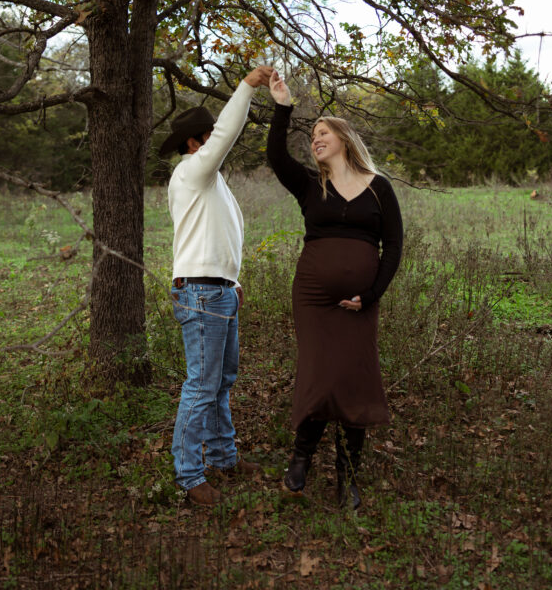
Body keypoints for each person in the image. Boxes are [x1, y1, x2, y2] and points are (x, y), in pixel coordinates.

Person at [267, 70, 403, 509]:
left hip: (359, 302)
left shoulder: (379, 188)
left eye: (322, 133)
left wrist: (371, 294)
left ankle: (349, 479)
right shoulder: (310, 184)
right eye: (312, 136)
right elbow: (275, 157)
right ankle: (301, 460)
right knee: (319, 372)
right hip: (313, 298)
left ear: (343, 138)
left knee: (354, 380)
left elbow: (394, 247)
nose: (315, 140)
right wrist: (283, 106)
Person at [161, 65, 272, 506]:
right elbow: (227, 132)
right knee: (201, 386)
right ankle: (189, 476)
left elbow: (218, 233)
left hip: (218, 289)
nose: (216, 141)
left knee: (222, 380)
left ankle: (224, 458)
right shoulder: (192, 172)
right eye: (208, 136)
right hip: (202, 293)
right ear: (194, 143)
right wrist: (246, 86)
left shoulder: (211, 180)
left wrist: (234, 279)